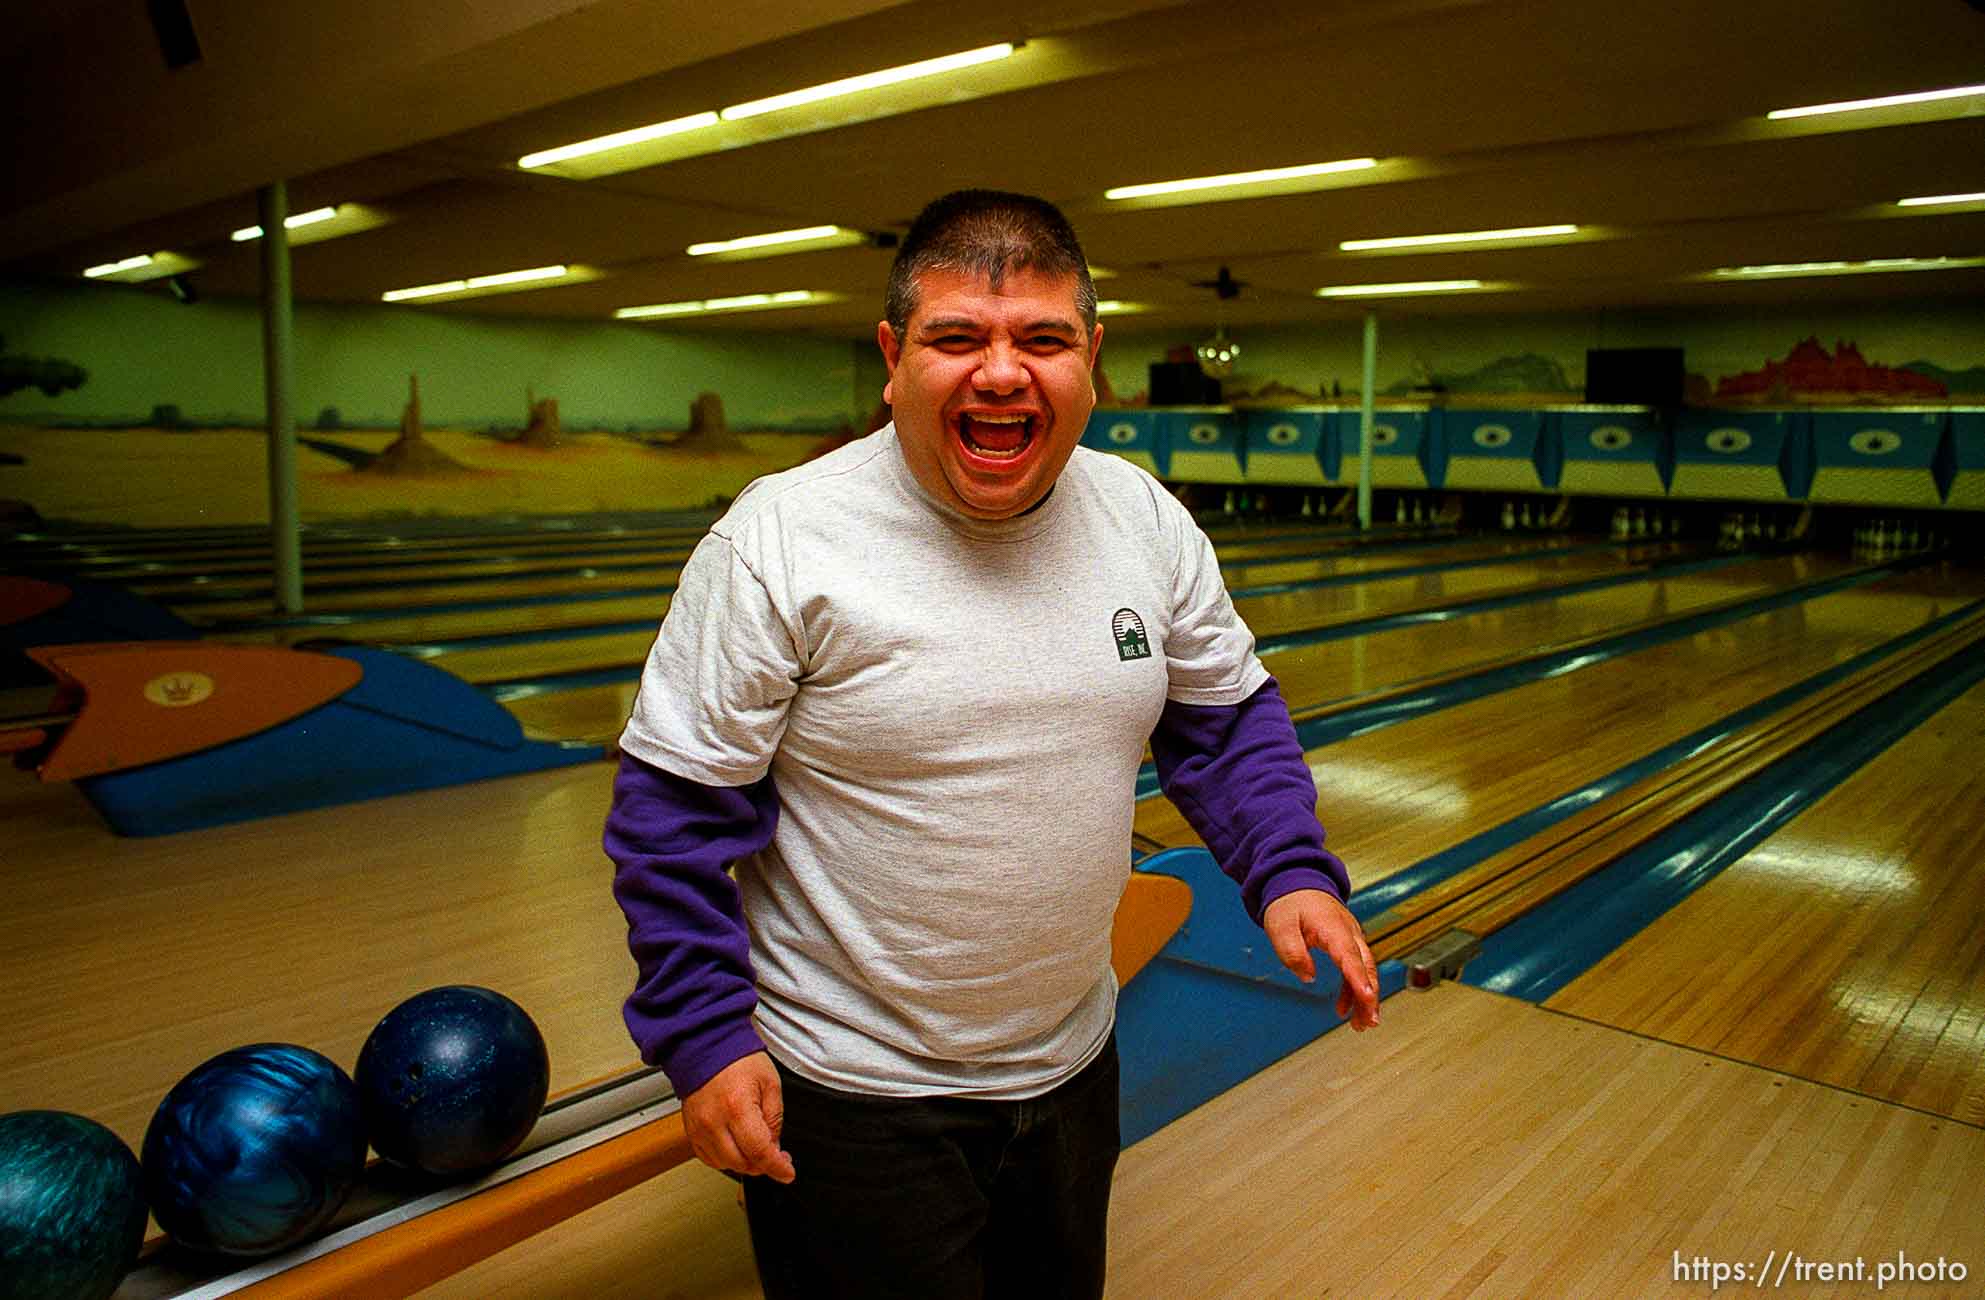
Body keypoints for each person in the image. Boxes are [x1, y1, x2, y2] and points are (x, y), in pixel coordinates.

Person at [606, 189, 1379, 1299]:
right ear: (892, 354)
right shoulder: (777, 542)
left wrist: (1287, 868)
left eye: (1042, 339)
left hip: (1071, 1064)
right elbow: (669, 817)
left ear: (1093, 360)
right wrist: (704, 1035)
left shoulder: (1144, 519)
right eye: (957, 338)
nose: (1002, 372)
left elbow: (1220, 720)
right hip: (847, 1093)